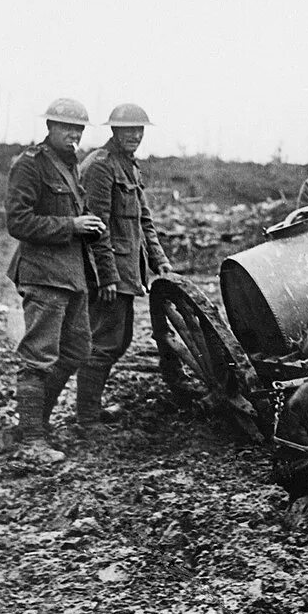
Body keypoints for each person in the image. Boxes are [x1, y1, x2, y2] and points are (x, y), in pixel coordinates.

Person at [5, 97, 103, 463]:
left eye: (78, 129)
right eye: (66, 127)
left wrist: (87, 226)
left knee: (77, 350)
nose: (73, 134)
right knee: (38, 357)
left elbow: (73, 215)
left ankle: (34, 423)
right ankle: (31, 439)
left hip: (72, 274)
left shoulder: (71, 166)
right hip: (43, 274)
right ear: (49, 128)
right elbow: (18, 222)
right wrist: (71, 226)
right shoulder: (30, 165)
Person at [76, 103, 172, 429]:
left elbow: (144, 220)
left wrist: (160, 261)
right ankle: (87, 418)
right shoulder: (100, 167)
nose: (134, 135)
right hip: (110, 274)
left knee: (119, 340)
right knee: (104, 342)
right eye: (127, 129)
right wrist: (106, 277)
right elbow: (96, 227)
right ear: (114, 130)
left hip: (128, 271)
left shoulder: (129, 166)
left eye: (139, 130)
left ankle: (91, 409)